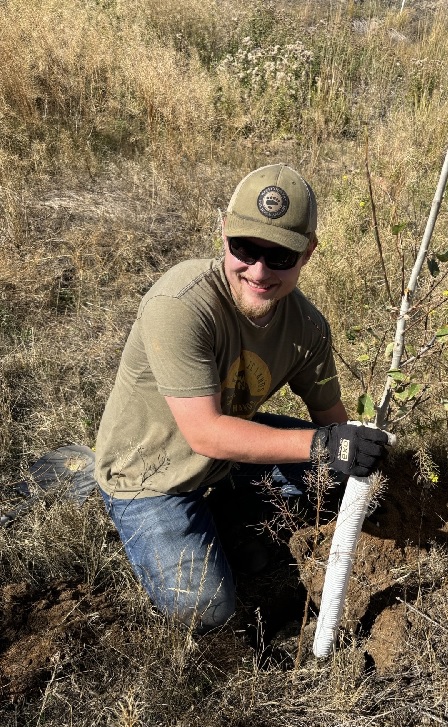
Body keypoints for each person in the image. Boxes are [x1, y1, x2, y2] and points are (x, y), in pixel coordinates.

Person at [95, 163, 390, 631]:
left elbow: (335, 422)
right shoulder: (182, 304)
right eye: (245, 249)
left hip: (226, 463)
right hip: (150, 477)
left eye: (280, 257)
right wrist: (323, 445)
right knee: (208, 610)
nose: (259, 271)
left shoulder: (307, 328)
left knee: (340, 478)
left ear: (308, 253)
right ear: (224, 231)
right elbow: (206, 433)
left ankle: (231, 517)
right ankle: (202, 526)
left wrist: (354, 448)